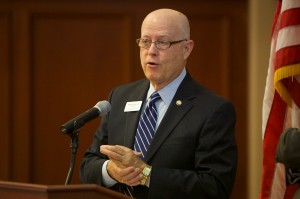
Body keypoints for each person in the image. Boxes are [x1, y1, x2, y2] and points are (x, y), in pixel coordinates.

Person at [80, 8, 237, 199]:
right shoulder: (120, 97)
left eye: (162, 42)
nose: (151, 51)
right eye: (145, 42)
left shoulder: (213, 109)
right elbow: (88, 165)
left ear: (186, 48)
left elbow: (214, 187)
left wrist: (146, 174)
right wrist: (110, 170)